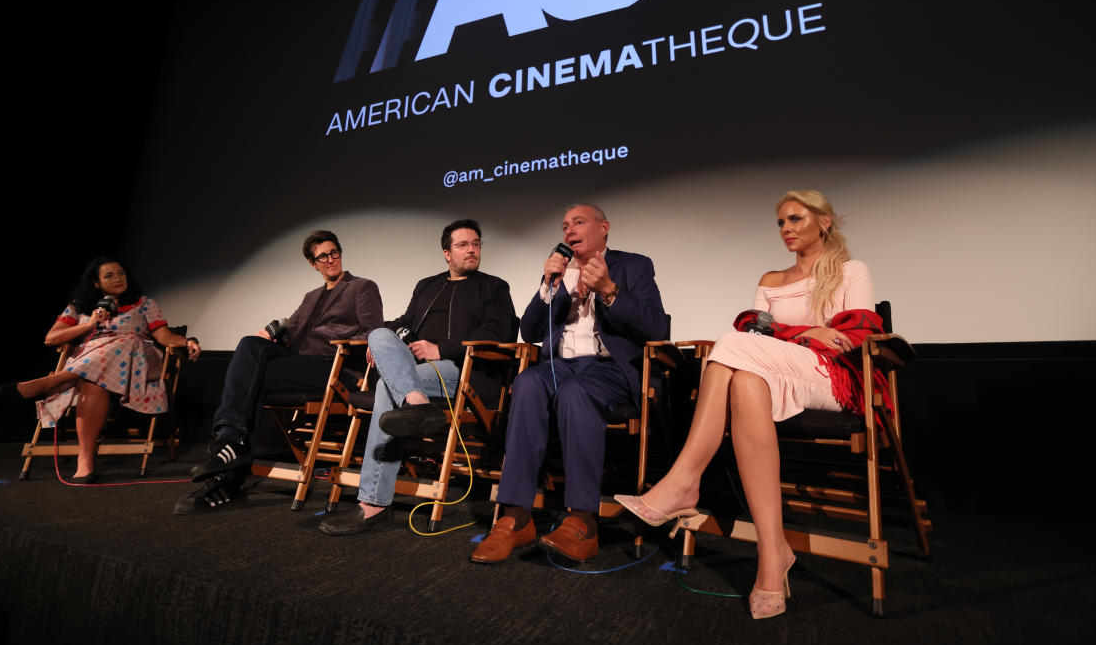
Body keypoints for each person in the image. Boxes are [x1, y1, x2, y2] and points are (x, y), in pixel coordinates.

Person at [615, 189, 879, 619]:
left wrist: (800, 336)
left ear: (824, 221)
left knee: (729, 345)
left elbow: (851, 338)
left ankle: (683, 480)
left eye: (795, 219)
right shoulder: (770, 280)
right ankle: (773, 557)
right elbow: (755, 338)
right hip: (773, 372)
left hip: (830, 377)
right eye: (780, 222)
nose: (786, 229)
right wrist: (807, 332)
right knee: (744, 382)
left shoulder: (851, 271)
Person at [470, 204, 667, 564]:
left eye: (578, 222)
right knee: (527, 384)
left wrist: (609, 290)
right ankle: (516, 516)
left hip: (608, 368)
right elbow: (529, 331)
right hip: (559, 365)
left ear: (604, 228)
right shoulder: (559, 273)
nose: (568, 231)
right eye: (564, 225)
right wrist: (548, 287)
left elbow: (656, 328)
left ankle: (582, 520)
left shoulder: (633, 265)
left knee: (577, 394)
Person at [318, 218, 516, 535]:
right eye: (463, 244)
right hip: (418, 375)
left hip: (465, 371)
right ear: (446, 253)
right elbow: (405, 322)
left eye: (476, 243)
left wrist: (443, 349)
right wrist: (385, 344)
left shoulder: (493, 288)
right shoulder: (428, 286)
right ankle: (417, 403)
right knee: (380, 335)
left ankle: (374, 504)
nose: (472, 250)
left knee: (386, 386)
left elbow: (498, 332)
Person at [178, 230, 383, 513]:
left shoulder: (361, 287)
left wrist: (356, 346)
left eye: (334, 252)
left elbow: (373, 330)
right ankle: (230, 451)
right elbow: (294, 334)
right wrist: (271, 336)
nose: (330, 259)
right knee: (251, 345)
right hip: (299, 364)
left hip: (336, 367)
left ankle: (228, 458)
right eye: (322, 256)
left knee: (250, 376)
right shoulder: (311, 297)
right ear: (313, 263)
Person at [0, 257, 201, 483]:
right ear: (96, 283)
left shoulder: (144, 303)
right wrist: (88, 324)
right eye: (109, 275)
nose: (118, 278)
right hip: (94, 366)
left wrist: (188, 341)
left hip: (136, 360)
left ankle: (52, 382)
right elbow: (51, 338)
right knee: (93, 381)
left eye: (121, 273)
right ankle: (84, 462)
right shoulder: (80, 307)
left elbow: (164, 337)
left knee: (123, 343)